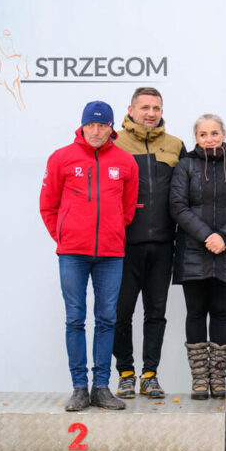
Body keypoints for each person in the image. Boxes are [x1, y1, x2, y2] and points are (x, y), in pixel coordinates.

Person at [39, 101, 139, 411]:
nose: (96, 131)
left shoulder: (125, 162)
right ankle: (79, 388)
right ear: (82, 127)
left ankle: (101, 387)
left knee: (107, 319)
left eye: (102, 125)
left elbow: (128, 208)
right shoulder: (62, 158)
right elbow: (48, 205)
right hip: (73, 254)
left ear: (112, 128)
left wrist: (110, 233)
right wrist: (66, 236)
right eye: (90, 125)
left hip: (110, 255)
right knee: (75, 319)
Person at [171, 114, 226, 400]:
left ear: (223, 134)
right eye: (203, 134)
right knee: (195, 313)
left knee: (220, 313)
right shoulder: (185, 166)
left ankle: (218, 379)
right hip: (193, 251)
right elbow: (179, 207)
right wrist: (208, 236)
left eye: (214, 133)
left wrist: (224, 237)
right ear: (196, 137)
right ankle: (199, 381)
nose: (209, 139)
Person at [112, 87, 186, 400]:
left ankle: (150, 375)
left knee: (156, 313)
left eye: (156, 107)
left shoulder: (175, 145)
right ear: (130, 109)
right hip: (124, 246)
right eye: (144, 107)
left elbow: (186, 192)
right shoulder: (114, 142)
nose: (151, 113)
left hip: (162, 245)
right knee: (121, 313)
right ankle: (126, 373)